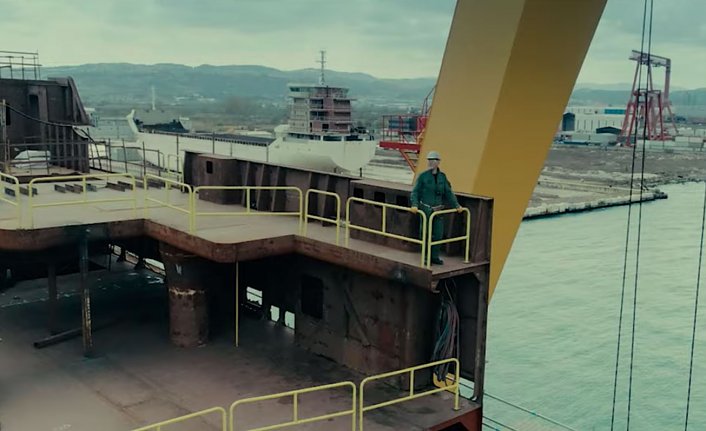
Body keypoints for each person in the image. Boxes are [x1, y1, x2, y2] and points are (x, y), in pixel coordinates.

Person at [410, 150, 463, 265]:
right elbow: (415, 192)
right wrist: (414, 204)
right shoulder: (423, 177)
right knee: (425, 234)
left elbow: (449, 192)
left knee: (438, 234)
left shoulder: (442, 177)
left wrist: (457, 205)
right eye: (429, 160)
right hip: (426, 210)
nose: (431, 162)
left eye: (433, 160)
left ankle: (434, 256)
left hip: (438, 211)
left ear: (438, 162)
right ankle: (425, 256)